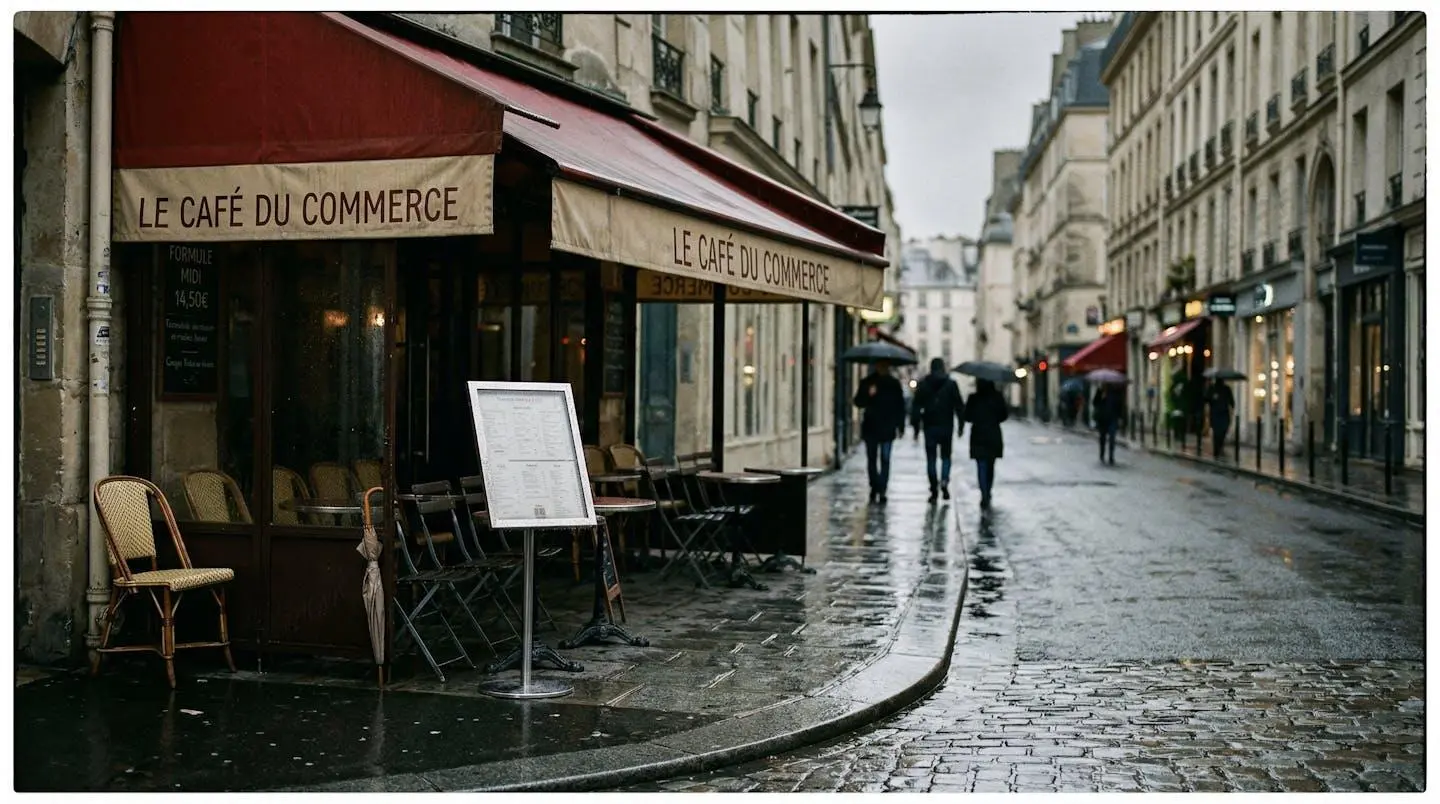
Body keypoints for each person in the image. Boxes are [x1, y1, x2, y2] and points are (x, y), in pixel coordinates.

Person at [910, 357, 966, 503]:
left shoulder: (923, 384)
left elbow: (916, 407)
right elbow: (959, 406)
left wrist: (916, 428)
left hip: (929, 426)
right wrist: (961, 426)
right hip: (946, 426)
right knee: (946, 457)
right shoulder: (951, 384)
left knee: (931, 459)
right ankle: (944, 482)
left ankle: (933, 488)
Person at [853, 359, 907, 505]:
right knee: (872, 460)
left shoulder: (894, 384)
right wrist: (868, 394)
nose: (882, 367)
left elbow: (900, 406)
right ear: (876, 366)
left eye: (885, 365)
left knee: (885, 459)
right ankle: (874, 486)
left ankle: (882, 488)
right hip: (871, 427)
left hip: (887, 428)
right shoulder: (867, 382)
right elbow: (858, 402)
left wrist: (900, 426)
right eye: (880, 365)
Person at [964, 378, 1009, 508]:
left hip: (978, 434)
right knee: (990, 465)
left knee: (981, 465)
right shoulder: (997, 397)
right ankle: (987, 491)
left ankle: (984, 492)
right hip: (993, 434)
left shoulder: (973, 398)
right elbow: (1004, 415)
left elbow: (967, 416)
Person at [1092, 384, 1124, 465]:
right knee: (1102, 438)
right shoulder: (1100, 391)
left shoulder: (1115, 392)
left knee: (1112, 438)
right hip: (1103, 419)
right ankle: (1102, 454)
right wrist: (1101, 398)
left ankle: (1111, 456)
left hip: (1113, 418)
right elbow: (1094, 403)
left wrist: (1120, 417)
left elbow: (1119, 404)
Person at [1207, 379, 1236, 458]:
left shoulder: (1224, 389)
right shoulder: (1215, 389)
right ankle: (1218, 449)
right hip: (1220, 414)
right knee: (1220, 432)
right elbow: (1232, 402)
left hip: (1218, 414)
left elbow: (1207, 400)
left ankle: (1218, 448)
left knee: (1219, 432)